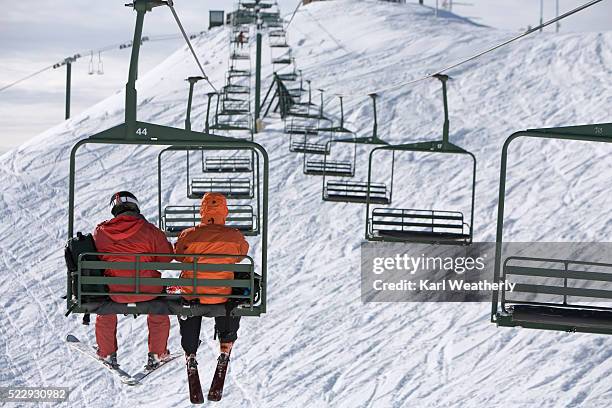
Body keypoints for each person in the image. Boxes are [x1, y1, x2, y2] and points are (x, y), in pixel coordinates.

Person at [93, 191, 174, 369]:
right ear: (135, 206)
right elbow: (166, 259)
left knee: (105, 307)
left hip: (116, 292)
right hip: (148, 292)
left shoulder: (102, 232)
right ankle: (157, 352)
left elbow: (96, 259)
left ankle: (107, 352)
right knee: (159, 307)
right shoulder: (150, 230)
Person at [174, 192, 249, 373]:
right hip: (222, 296)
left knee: (188, 300)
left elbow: (177, 254)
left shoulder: (189, 235)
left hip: (194, 296)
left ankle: (190, 352)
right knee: (230, 297)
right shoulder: (234, 236)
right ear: (225, 211)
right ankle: (226, 344)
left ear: (203, 211)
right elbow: (242, 254)